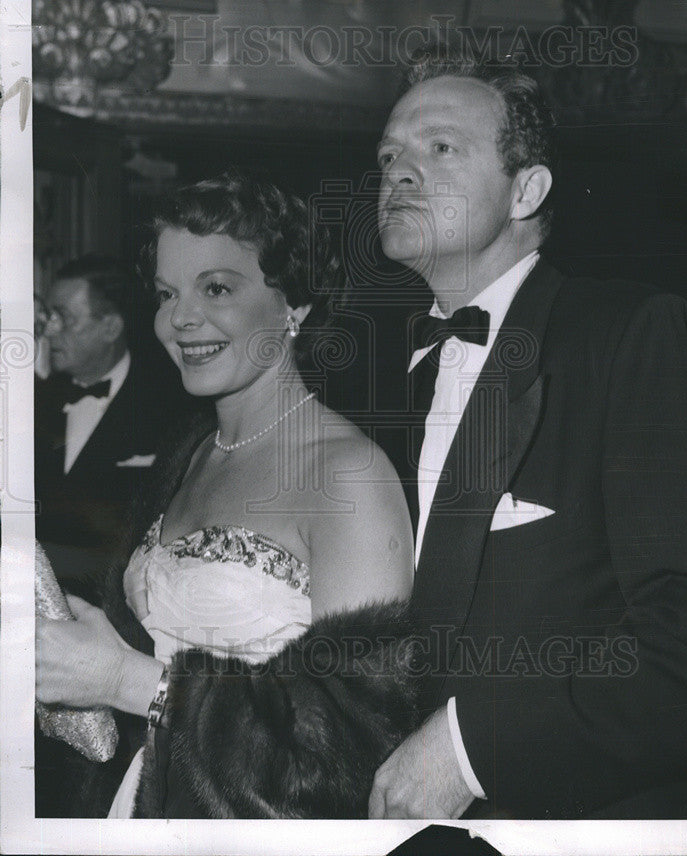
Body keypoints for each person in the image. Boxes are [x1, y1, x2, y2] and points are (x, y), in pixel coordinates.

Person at [368, 45, 687, 820]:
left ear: (527, 190)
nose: (398, 172)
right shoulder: (376, 378)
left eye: (438, 147)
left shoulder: (632, 335)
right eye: (388, 153)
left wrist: (469, 750)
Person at [35, 173, 416, 818]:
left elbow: (353, 747)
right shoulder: (190, 454)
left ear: (293, 304)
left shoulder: (349, 474)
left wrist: (127, 682)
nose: (179, 317)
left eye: (216, 288)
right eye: (166, 292)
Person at [35, 255, 189, 604]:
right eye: (48, 315)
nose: (49, 329)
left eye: (65, 317)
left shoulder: (171, 413)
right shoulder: (29, 402)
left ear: (110, 327)